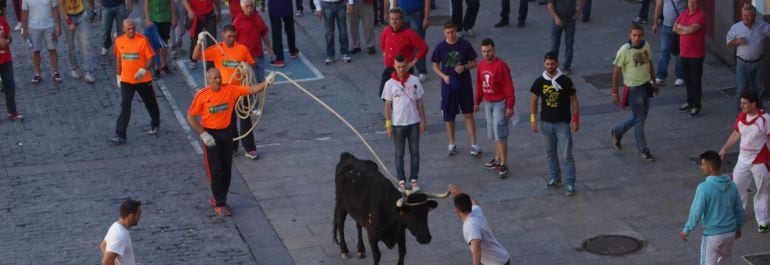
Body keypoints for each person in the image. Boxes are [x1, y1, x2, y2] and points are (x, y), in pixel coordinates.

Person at [187, 68, 275, 216]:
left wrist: (266, 82)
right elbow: (190, 117)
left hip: (226, 133)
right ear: (208, 80)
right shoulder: (202, 96)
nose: (218, 80)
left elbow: (251, 89)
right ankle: (219, 202)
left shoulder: (230, 90)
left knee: (226, 169)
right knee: (215, 170)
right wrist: (203, 134)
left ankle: (221, 198)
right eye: (215, 78)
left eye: (219, 77)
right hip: (210, 134)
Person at [192, 25, 261, 159]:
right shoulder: (217, 49)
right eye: (229, 36)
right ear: (223, 36)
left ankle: (250, 148)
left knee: (245, 119)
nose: (232, 39)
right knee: (229, 122)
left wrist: (244, 66)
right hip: (225, 91)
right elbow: (196, 56)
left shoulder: (242, 48)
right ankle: (232, 148)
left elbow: (252, 64)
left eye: (234, 36)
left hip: (241, 90)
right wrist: (199, 42)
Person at [719, 89, 770, 233]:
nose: (742, 106)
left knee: (762, 191)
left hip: (760, 160)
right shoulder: (742, 116)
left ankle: (763, 220)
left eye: (745, 103)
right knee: (737, 187)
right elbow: (736, 132)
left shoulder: (765, 119)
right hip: (743, 159)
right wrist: (725, 148)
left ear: (754, 103)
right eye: (741, 103)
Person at [679, 151, 744, 264]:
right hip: (730, 233)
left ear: (710, 167)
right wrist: (738, 227)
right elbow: (739, 209)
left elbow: (696, 211)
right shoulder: (732, 186)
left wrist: (687, 230)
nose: (701, 167)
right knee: (726, 260)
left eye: (703, 164)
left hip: (713, 235)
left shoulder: (704, 188)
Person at [529, 52, 579, 196]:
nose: (550, 66)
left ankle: (570, 182)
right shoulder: (540, 81)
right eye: (547, 64)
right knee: (550, 154)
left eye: (552, 64)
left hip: (562, 123)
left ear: (557, 64)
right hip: (546, 123)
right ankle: (555, 178)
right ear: (544, 64)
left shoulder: (565, 81)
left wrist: (575, 119)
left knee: (566, 155)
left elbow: (574, 100)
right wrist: (533, 119)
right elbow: (533, 100)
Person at [610, 24, 660, 162]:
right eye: (634, 35)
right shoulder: (625, 50)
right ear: (629, 35)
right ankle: (642, 149)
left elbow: (650, 64)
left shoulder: (646, 46)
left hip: (646, 86)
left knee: (640, 118)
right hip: (633, 89)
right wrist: (615, 92)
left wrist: (654, 82)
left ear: (643, 35)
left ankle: (617, 131)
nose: (637, 38)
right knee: (639, 121)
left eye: (639, 35)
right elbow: (616, 72)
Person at [431, 21, 480, 157]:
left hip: (464, 83)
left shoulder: (465, 45)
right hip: (448, 85)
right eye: (448, 33)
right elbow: (435, 65)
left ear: (456, 30)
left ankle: (474, 144)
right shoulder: (440, 47)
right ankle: (451, 143)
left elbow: (475, 62)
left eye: (452, 32)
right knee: (449, 115)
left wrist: (464, 67)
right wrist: (443, 76)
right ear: (443, 33)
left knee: (468, 113)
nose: (451, 35)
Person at [111, 19, 160, 146]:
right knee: (125, 106)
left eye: (133, 28)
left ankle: (155, 122)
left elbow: (150, 57)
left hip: (142, 79)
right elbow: (118, 58)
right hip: (127, 80)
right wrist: (118, 75)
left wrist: (144, 70)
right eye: (129, 29)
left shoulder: (142, 40)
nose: (132, 31)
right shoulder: (119, 41)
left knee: (150, 102)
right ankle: (120, 134)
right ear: (123, 29)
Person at [382, 54, 426, 191]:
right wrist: (388, 125)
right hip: (398, 124)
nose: (401, 69)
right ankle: (401, 180)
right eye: (398, 67)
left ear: (407, 65)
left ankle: (414, 179)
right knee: (399, 153)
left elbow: (420, 102)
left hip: (413, 122)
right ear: (394, 66)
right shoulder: (389, 84)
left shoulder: (414, 81)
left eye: (403, 66)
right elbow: (388, 105)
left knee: (415, 151)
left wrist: (423, 120)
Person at [474, 38, 515, 179]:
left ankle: (504, 163)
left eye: (489, 51)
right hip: (488, 103)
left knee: (500, 132)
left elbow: (508, 87)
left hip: (500, 103)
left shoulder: (501, 66)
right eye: (484, 51)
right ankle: (497, 159)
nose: (486, 54)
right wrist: (477, 101)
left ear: (494, 50)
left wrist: (510, 105)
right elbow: (479, 84)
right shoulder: (481, 65)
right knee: (492, 132)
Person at [448, 184, 511, 265]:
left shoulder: (471, 226)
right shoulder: (476, 210)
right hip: (500, 257)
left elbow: (477, 250)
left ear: (457, 209)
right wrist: (459, 193)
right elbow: (475, 203)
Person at [727, 4, 770, 113]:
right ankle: (740, 115)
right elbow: (728, 42)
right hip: (742, 63)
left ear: (754, 16)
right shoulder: (736, 27)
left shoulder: (763, 26)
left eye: (748, 16)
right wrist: (737, 41)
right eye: (744, 15)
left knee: (759, 89)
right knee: (741, 89)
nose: (745, 18)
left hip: (758, 62)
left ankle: (758, 114)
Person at [378, 7, 427, 99]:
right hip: (389, 69)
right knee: (383, 94)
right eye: (392, 19)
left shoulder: (409, 33)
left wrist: (413, 62)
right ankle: (395, 111)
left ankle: (400, 112)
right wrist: (385, 53)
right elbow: (382, 42)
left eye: (397, 19)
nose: (394, 22)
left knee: (402, 97)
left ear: (402, 20)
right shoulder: (387, 31)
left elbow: (423, 47)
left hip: (403, 71)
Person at [673, 0, 705, 117]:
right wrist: (686, 29)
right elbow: (674, 28)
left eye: (694, 3)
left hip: (696, 55)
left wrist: (682, 28)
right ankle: (690, 102)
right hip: (684, 53)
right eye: (689, 2)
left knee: (695, 81)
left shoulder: (701, 15)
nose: (691, 5)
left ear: (699, 4)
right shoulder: (684, 13)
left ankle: (696, 106)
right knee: (687, 80)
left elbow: (693, 30)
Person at [385, 0, 430, 81]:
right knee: (401, 42)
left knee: (418, 43)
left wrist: (426, 17)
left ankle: (421, 70)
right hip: (402, 14)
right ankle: (400, 67)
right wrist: (394, 12)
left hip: (416, 14)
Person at [21, 0, 63, 84]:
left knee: (52, 49)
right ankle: (37, 73)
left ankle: (55, 72)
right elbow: (24, 12)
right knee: (36, 51)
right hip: (33, 27)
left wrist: (58, 25)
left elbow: (54, 9)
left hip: (49, 26)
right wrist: (24, 29)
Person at [233, 0, 272, 82]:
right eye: (247, 6)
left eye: (251, 6)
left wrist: (269, 47)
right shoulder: (237, 21)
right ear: (242, 7)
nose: (249, 9)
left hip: (259, 55)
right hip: (246, 58)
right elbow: (233, 40)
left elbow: (264, 32)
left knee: (261, 81)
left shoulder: (257, 17)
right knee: (251, 82)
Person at [59, 0, 96, 83]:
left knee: (86, 44)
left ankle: (87, 71)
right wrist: (68, 21)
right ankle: (74, 67)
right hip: (69, 17)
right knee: (71, 46)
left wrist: (87, 11)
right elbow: (60, 5)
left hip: (81, 16)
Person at [652, 0, 685, 87]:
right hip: (666, 26)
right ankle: (660, 76)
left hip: (680, 26)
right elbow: (658, 5)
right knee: (664, 51)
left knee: (679, 52)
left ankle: (680, 76)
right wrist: (655, 23)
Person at [546, 0, 584, 75]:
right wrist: (556, 18)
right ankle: (553, 65)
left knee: (569, 44)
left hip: (570, 19)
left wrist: (579, 12)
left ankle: (567, 66)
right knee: (554, 44)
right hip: (558, 18)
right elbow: (550, 5)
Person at [100, 199, 142, 265]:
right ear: (131, 216)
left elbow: (103, 246)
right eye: (138, 214)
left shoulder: (115, 226)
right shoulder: (121, 235)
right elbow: (106, 262)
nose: (140, 217)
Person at [182, 0, 220, 69]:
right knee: (195, 39)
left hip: (209, 13)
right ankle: (193, 59)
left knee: (212, 39)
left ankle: (210, 64)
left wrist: (218, 10)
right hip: (195, 14)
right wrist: (189, 10)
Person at [313, 0, 352, 64]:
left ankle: (345, 53)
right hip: (327, 5)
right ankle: (330, 55)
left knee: (343, 31)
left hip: (341, 4)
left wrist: (350, 3)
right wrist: (318, 8)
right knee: (329, 33)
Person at [0, 13, 22, 121]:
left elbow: (10, 37)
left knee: (10, 85)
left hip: (6, 58)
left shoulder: (2, 20)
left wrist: (6, 42)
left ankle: (12, 112)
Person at [145, 0, 176, 76]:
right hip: (154, 20)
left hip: (166, 18)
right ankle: (156, 67)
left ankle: (164, 65)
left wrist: (173, 17)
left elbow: (171, 3)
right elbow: (146, 3)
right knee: (155, 45)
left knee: (164, 43)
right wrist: (147, 19)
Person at [268, 0, 299, 68]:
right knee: (289, 28)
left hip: (274, 6)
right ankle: (293, 51)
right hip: (286, 5)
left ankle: (279, 58)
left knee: (276, 32)